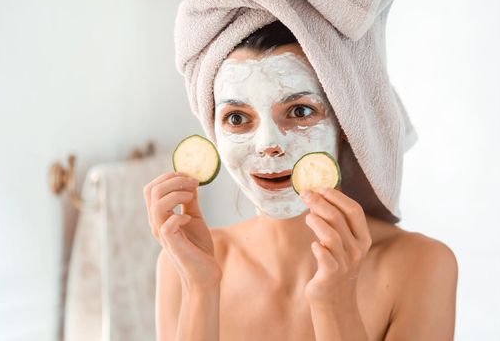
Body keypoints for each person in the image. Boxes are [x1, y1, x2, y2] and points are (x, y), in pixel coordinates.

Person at [144, 21, 458, 341]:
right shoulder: (183, 263)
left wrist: (335, 302)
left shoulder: (422, 267)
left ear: (347, 128)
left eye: (299, 111)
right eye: (237, 118)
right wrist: (200, 289)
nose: (268, 143)